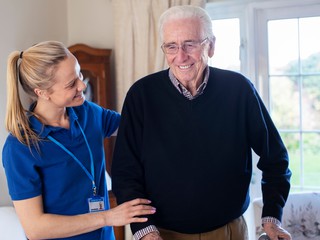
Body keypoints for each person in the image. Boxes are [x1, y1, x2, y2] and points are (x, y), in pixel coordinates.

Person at [111, 5, 292, 240]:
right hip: (161, 235)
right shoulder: (141, 95)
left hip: (229, 232)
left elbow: (275, 159)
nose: (181, 56)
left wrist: (271, 217)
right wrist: (144, 231)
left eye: (190, 44)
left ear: (211, 46)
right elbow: (126, 172)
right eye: (171, 46)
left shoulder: (239, 90)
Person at [2, 41, 156, 240]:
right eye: (71, 84)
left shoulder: (88, 112)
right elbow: (36, 228)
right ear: (43, 92)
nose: (82, 85)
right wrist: (107, 217)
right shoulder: (20, 147)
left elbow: (137, 127)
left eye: (79, 75)